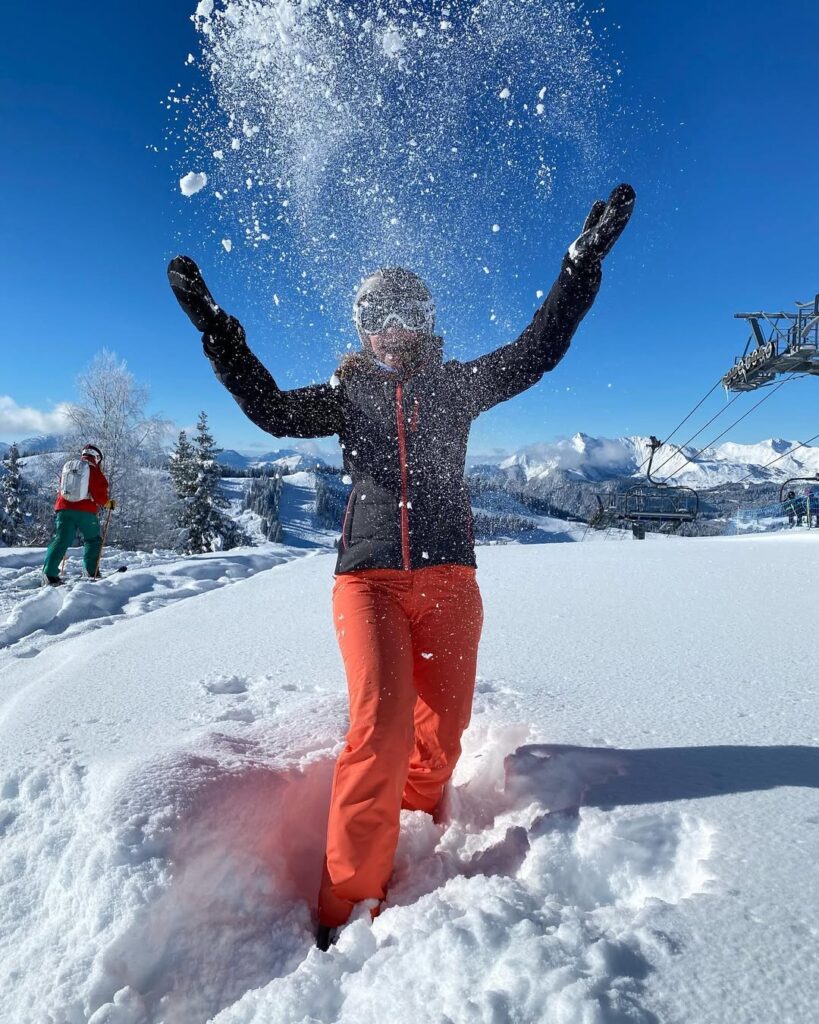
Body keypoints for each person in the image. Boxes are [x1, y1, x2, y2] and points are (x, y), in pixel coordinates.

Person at [168, 182, 636, 949]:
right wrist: (216, 328)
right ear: (362, 329)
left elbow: (539, 348)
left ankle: (413, 823)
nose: (392, 329)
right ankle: (346, 904)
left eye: (407, 315)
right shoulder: (343, 396)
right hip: (369, 578)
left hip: (451, 578)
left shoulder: (458, 387)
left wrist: (579, 263)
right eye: (377, 317)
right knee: (378, 727)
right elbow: (265, 409)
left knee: (441, 735)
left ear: (424, 325)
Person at [42, 444, 115, 585]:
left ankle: (49, 573)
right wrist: (108, 503)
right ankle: (90, 571)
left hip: (63, 509)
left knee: (61, 539)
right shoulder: (93, 470)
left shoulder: (69, 467)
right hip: (85, 511)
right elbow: (100, 494)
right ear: (97, 457)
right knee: (93, 539)